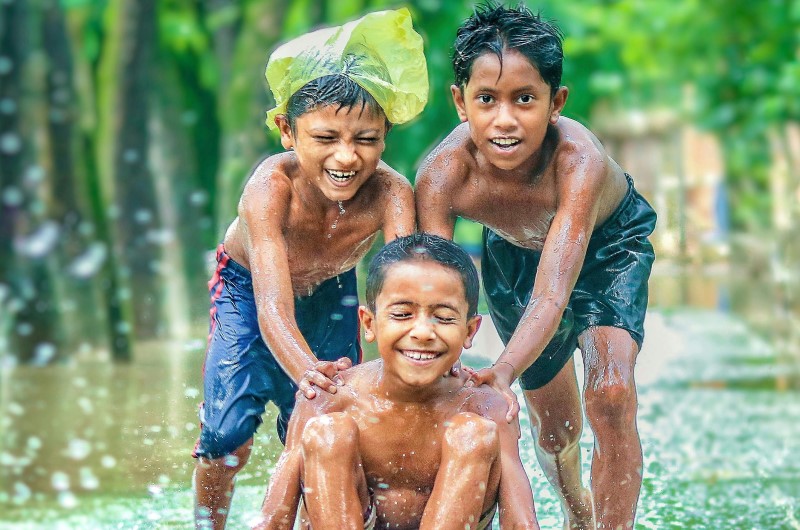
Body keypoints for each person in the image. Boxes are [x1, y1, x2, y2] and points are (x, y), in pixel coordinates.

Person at [415, 3, 657, 529]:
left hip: (607, 247)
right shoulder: (442, 175)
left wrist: (502, 369)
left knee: (611, 392)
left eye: (525, 99)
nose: (505, 119)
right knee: (555, 430)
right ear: (460, 102)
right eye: (487, 100)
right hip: (513, 257)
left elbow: (554, 293)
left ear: (556, 103)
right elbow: (431, 290)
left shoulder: (578, 161)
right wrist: (439, 375)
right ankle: (578, 513)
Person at [193, 9, 429, 529]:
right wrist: (306, 372)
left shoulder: (391, 194)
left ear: (385, 135)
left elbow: (407, 288)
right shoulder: (269, 187)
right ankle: (206, 523)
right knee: (225, 435)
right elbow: (272, 304)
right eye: (326, 138)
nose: (346, 157)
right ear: (286, 131)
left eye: (365, 139)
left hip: (334, 290)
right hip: (247, 291)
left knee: (327, 425)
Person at [254, 233, 540, 530]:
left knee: (472, 434)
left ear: (469, 331)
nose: (423, 332)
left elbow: (522, 523)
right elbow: (273, 520)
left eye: (443, 317)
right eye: (403, 314)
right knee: (329, 433)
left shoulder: (487, 406)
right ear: (369, 323)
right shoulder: (329, 396)